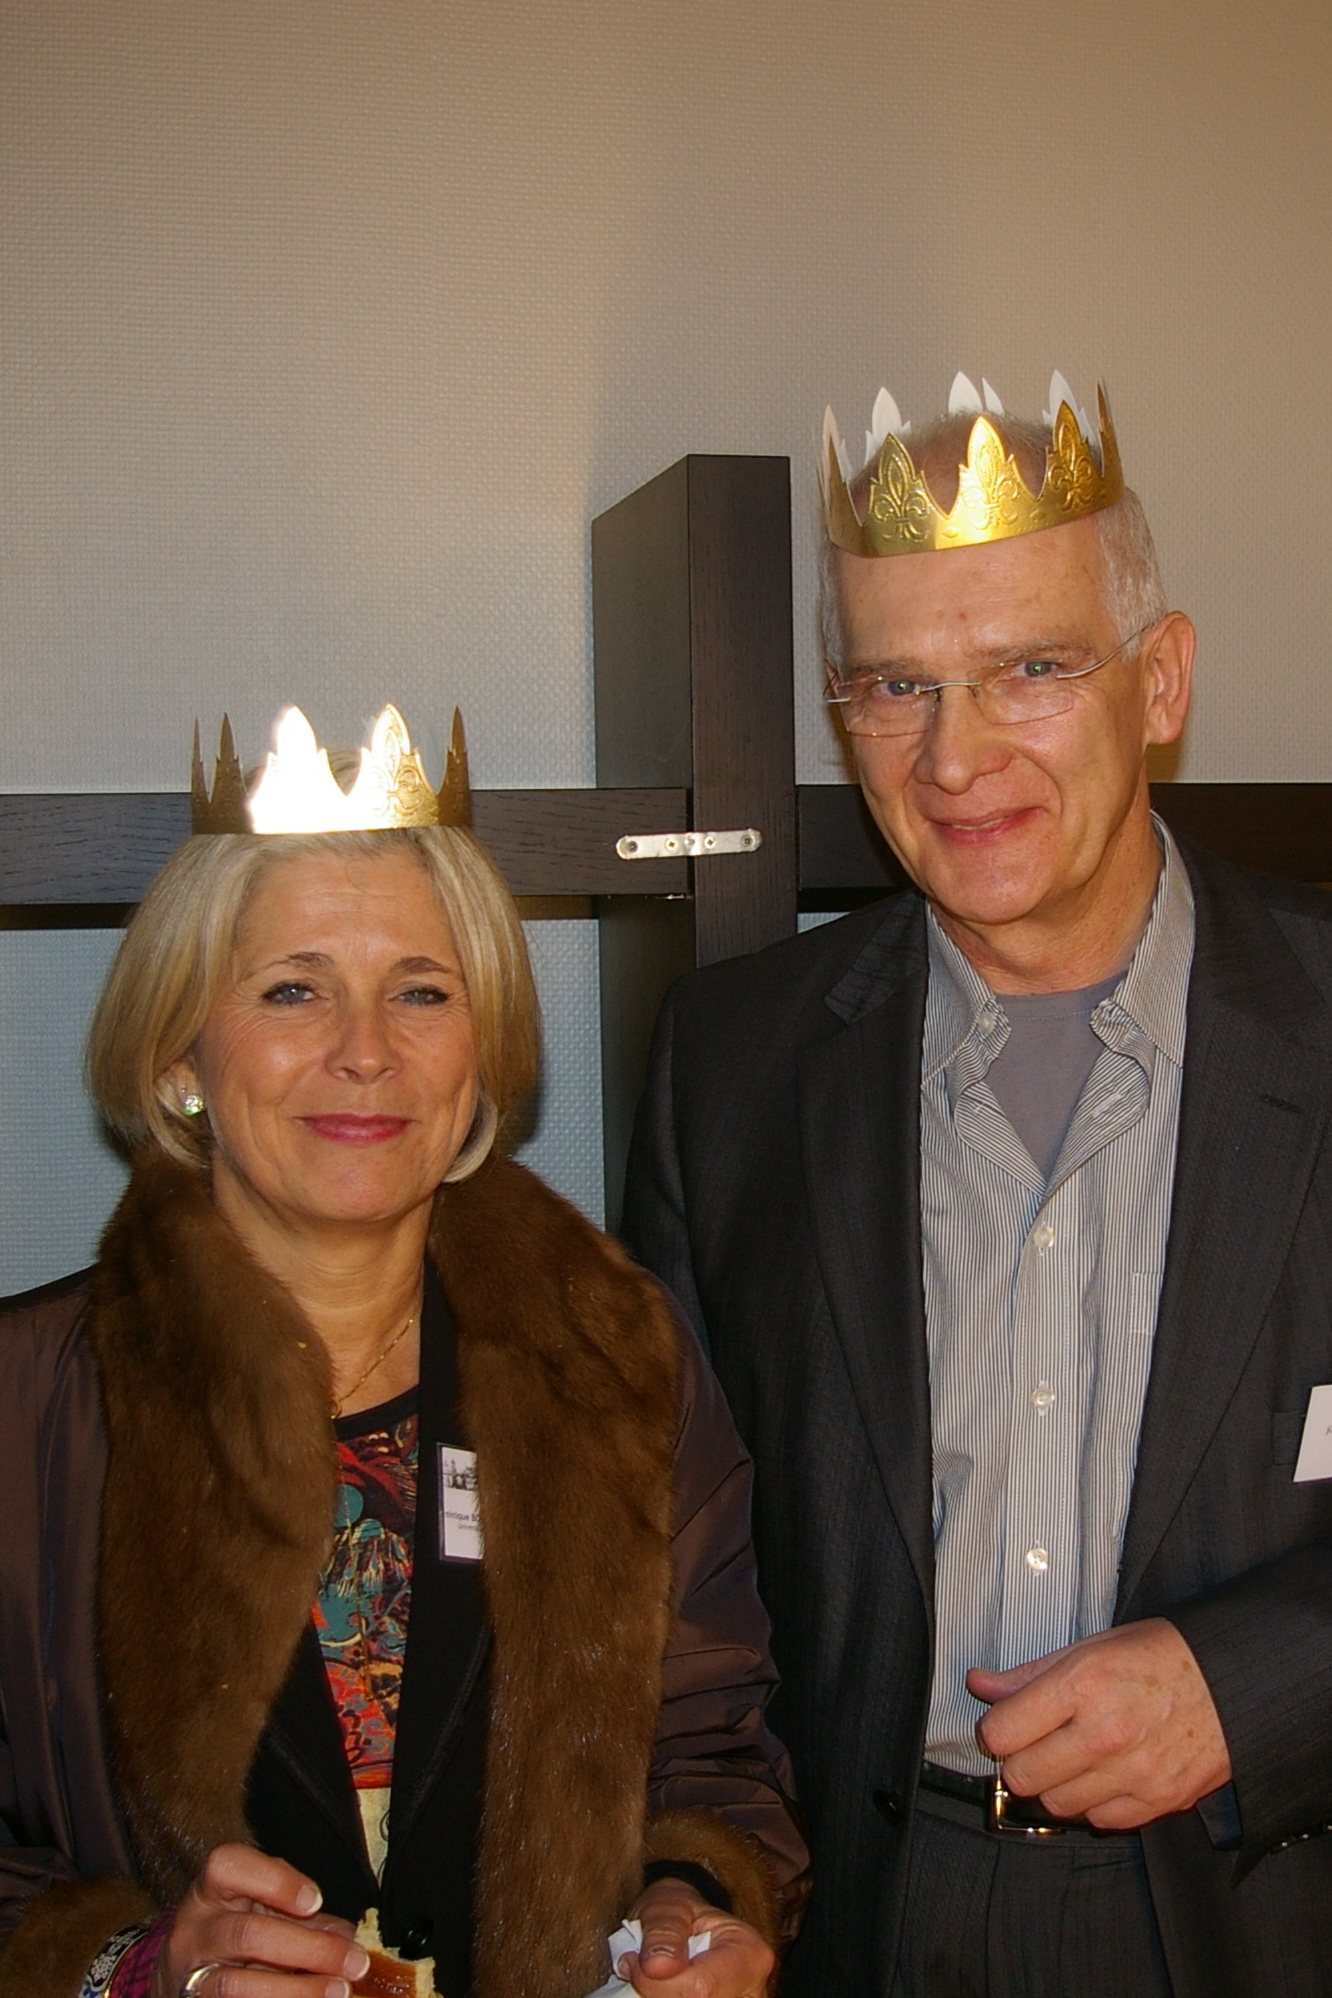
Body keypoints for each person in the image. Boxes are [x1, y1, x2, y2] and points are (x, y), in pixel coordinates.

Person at [622, 374, 1332, 1997]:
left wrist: (1256, 1684)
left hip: (1266, 1904)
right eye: (897, 685)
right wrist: (690, 1866)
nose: (956, 754)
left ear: (1162, 678)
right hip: (857, 1917)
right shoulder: (731, 1068)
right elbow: (665, 1567)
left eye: (1032, 667)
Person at [0, 705, 808, 1998]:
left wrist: (687, 1900)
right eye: (293, 988)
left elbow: (709, 1747)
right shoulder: (28, 1407)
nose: (366, 1050)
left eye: (422, 992)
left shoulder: (617, 1364)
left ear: (480, 1056)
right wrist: (129, 1968)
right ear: (180, 1052)